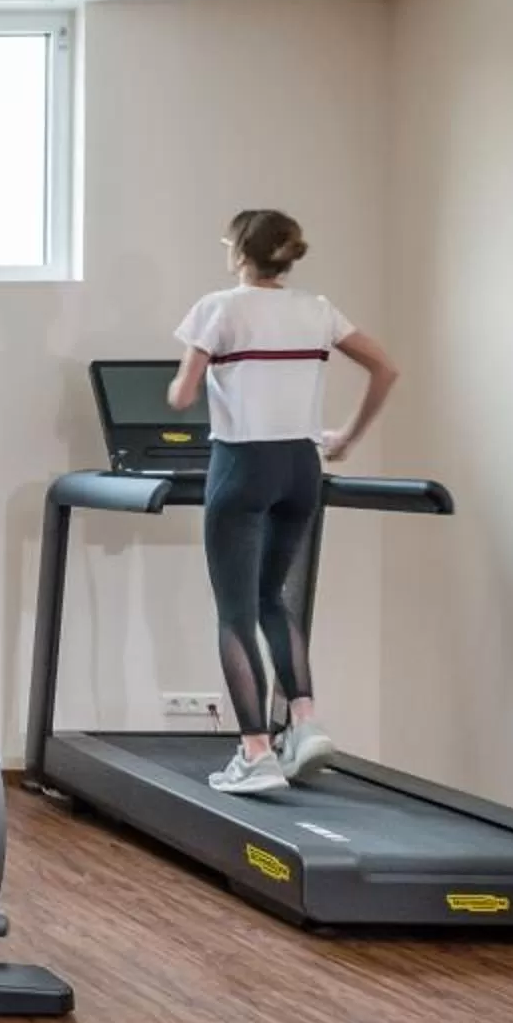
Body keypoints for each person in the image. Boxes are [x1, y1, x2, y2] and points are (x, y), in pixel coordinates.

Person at [168, 208, 400, 795]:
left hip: (242, 463)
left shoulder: (218, 307)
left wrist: (197, 374)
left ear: (239, 250)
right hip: (303, 465)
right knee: (275, 597)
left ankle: (254, 753)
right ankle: (304, 720)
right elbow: (386, 367)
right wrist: (346, 436)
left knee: (235, 611)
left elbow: (181, 395)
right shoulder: (317, 310)